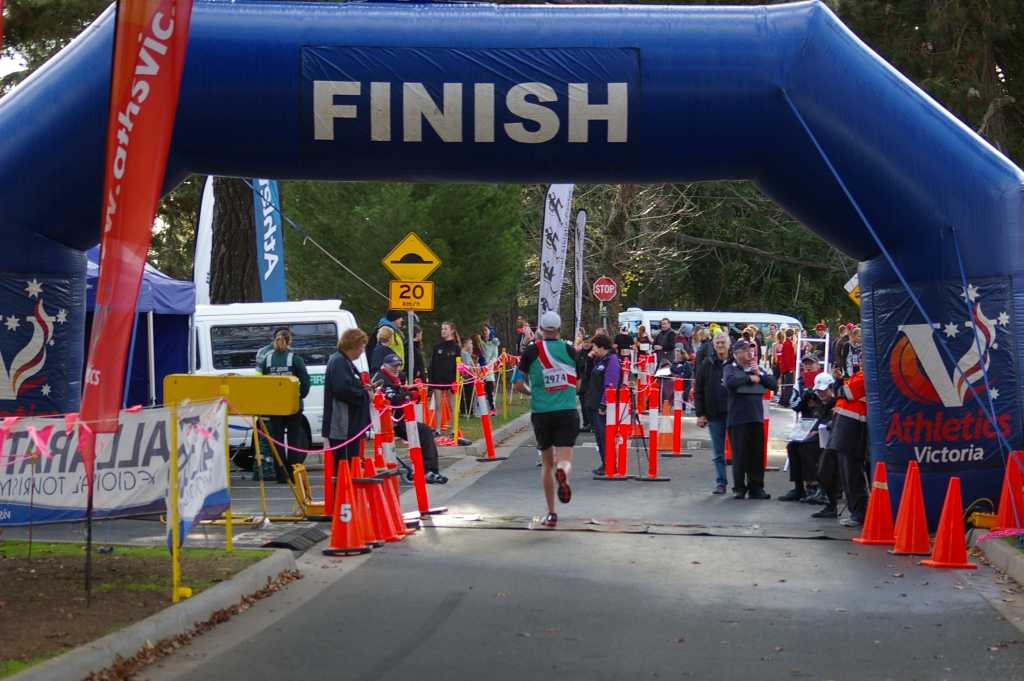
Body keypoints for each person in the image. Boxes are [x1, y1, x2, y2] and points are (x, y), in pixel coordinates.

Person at [514, 311, 579, 527]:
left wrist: (531, 392)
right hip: (567, 410)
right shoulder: (570, 350)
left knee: (546, 463)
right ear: (560, 329)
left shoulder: (531, 352)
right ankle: (564, 472)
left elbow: (517, 384)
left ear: (540, 329)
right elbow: (578, 383)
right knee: (565, 459)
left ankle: (551, 514)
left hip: (542, 412)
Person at [374, 353, 448, 484]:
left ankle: (429, 469)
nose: (396, 369)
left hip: (397, 419)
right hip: (386, 424)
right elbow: (393, 400)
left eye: (398, 365)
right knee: (424, 432)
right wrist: (410, 394)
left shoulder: (394, 378)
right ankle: (426, 470)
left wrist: (410, 391)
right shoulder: (382, 379)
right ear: (385, 366)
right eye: (393, 366)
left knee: (424, 431)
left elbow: (398, 393)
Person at [255, 327, 311, 483]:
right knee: (293, 440)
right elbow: (305, 382)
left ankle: (281, 475)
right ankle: (294, 475)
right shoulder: (295, 358)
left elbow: (262, 382)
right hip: (293, 406)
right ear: (289, 341)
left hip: (275, 407)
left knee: (277, 441)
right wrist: (300, 397)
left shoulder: (267, 358)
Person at [723, 338, 777, 499]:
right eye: (746, 350)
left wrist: (758, 375)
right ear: (737, 353)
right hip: (738, 418)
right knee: (739, 455)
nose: (750, 353)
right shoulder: (730, 368)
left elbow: (773, 384)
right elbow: (731, 382)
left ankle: (756, 487)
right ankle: (739, 488)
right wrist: (748, 378)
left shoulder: (758, 368)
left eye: (751, 350)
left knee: (756, 454)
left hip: (756, 418)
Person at [779, 371, 835, 503]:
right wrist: (805, 395)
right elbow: (796, 406)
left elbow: (831, 421)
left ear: (831, 388)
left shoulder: (836, 401)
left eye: (824, 390)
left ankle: (814, 485)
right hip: (815, 433)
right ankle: (799, 487)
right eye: (819, 391)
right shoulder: (812, 396)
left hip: (829, 437)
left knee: (806, 446)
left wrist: (819, 429)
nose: (821, 393)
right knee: (793, 445)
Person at [322, 328, 372, 470]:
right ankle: (343, 489)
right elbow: (342, 389)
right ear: (354, 345)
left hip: (347, 424)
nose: (362, 351)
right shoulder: (339, 362)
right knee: (344, 463)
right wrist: (364, 394)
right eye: (362, 346)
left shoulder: (343, 361)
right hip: (341, 425)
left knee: (348, 462)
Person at [694, 332, 732, 494]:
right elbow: (699, 390)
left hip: (734, 413)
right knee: (718, 453)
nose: (720, 345)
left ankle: (740, 485)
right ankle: (721, 482)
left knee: (739, 451)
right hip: (714, 414)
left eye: (723, 342)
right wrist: (700, 414)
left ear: (728, 344)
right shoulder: (707, 364)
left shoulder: (735, 362)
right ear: (714, 345)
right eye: (717, 343)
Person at [831, 368, 869, 526]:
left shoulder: (866, 373)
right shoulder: (863, 373)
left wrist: (841, 386)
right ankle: (857, 511)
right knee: (847, 471)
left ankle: (859, 513)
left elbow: (846, 392)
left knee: (851, 472)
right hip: (848, 425)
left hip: (853, 426)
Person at [583, 334, 620, 476]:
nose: (593, 349)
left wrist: (604, 404)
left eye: (594, 347)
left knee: (604, 435)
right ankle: (605, 462)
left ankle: (610, 463)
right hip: (593, 402)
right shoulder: (600, 360)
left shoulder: (611, 360)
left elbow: (611, 383)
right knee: (599, 436)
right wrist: (590, 358)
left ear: (601, 346)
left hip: (602, 405)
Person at [429, 321, 461, 434]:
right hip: (438, 381)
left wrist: (456, 380)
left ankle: (454, 430)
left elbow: (458, 366)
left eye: (446, 329)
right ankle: (437, 429)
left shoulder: (456, 347)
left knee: (452, 406)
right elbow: (432, 365)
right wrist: (431, 380)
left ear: (452, 330)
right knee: (438, 406)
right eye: (442, 329)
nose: (443, 331)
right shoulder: (437, 347)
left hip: (451, 381)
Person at [480, 325, 501, 413]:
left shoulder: (494, 343)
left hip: (489, 369)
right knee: (480, 389)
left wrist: (489, 364)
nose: (484, 332)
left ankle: (492, 408)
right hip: (479, 367)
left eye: (486, 330)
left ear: (490, 331)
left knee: (489, 389)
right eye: (483, 330)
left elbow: (495, 356)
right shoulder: (479, 341)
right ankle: (480, 408)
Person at [778, 328, 797, 406]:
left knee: (785, 385)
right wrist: (791, 368)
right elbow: (789, 357)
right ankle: (785, 401)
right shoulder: (788, 344)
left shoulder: (786, 343)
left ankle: (783, 399)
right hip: (788, 368)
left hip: (785, 367)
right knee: (788, 385)